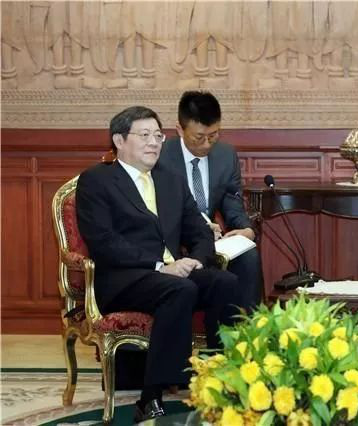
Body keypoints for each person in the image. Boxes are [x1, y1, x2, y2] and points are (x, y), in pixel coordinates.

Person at [75, 106, 247, 421]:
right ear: (119, 140)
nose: (154, 143)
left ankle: (223, 378)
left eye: (158, 136)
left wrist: (196, 260)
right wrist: (159, 266)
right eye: (145, 135)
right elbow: (104, 242)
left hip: (172, 275)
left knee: (225, 282)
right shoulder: (96, 181)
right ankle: (151, 395)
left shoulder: (170, 181)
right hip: (125, 280)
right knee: (179, 290)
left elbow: (200, 232)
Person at [158, 90, 263, 307]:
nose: (207, 144)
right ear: (180, 129)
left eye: (213, 135)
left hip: (212, 242)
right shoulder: (160, 156)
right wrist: (201, 227)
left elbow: (232, 202)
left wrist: (246, 230)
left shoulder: (225, 155)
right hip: (174, 240)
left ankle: (247, 326)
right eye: (199, 137)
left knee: (248, 256)